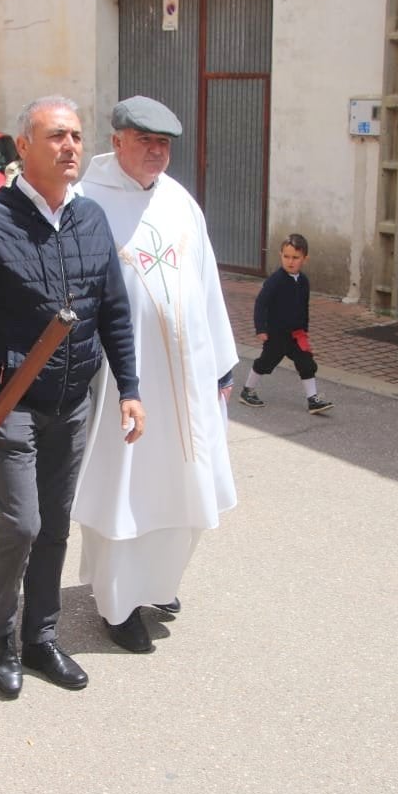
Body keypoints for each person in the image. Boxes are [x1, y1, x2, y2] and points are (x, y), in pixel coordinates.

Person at [0, 95, 144, 699]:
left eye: (77, 136)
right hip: (10, 403)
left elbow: (113, 310)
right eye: (56, 135)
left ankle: (41, 636)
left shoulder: (91, 220)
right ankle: (0, 637)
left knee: (56, 524)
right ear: (22, 146)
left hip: (73, 401)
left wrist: (129, 389)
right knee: (22, 523)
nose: (71, 147)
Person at [73, 96, 239, 653]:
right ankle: (117, 604)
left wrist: (221, 360)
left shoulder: (179, 201)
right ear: (116, 138)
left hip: (186, 382)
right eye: (145, 141)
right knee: (124, 490)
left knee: (181, 485)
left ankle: (159, 584)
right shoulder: (84, 203)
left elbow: (206, 280)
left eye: (164, 144)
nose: (157, 153)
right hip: (121, 385)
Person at [238, 233, 333, 414]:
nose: (290, 261)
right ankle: (247, 390)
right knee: (266, 362)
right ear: (281, 255)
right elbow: (261, 304)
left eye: (296, 258)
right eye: (286, 256)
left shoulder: (304, 282)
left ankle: (313, 399)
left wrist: (305, 330)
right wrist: (261, 328)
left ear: (305, 258)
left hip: (296, 334)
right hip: (276, 333)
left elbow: (304, 307)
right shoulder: (275, 281)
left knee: (306, 363)